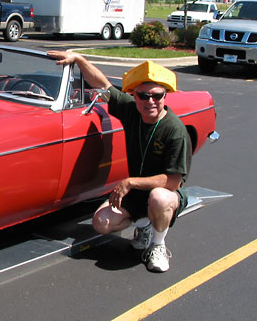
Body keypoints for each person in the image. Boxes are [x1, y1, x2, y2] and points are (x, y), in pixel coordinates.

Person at [48, 50, 191, 273]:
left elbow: (172, 182)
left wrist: (130, 182)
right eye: (143, 95)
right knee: (101, 223)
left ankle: (158, 244)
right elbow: (103, 86)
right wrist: (80, 60)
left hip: (165, 193)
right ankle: (144, 224)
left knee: (159, 198)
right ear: (134, 96)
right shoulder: (131, 110)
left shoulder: (174, 130)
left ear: (165, 96)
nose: (150, 101)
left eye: (157, 95)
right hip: (136, 194)